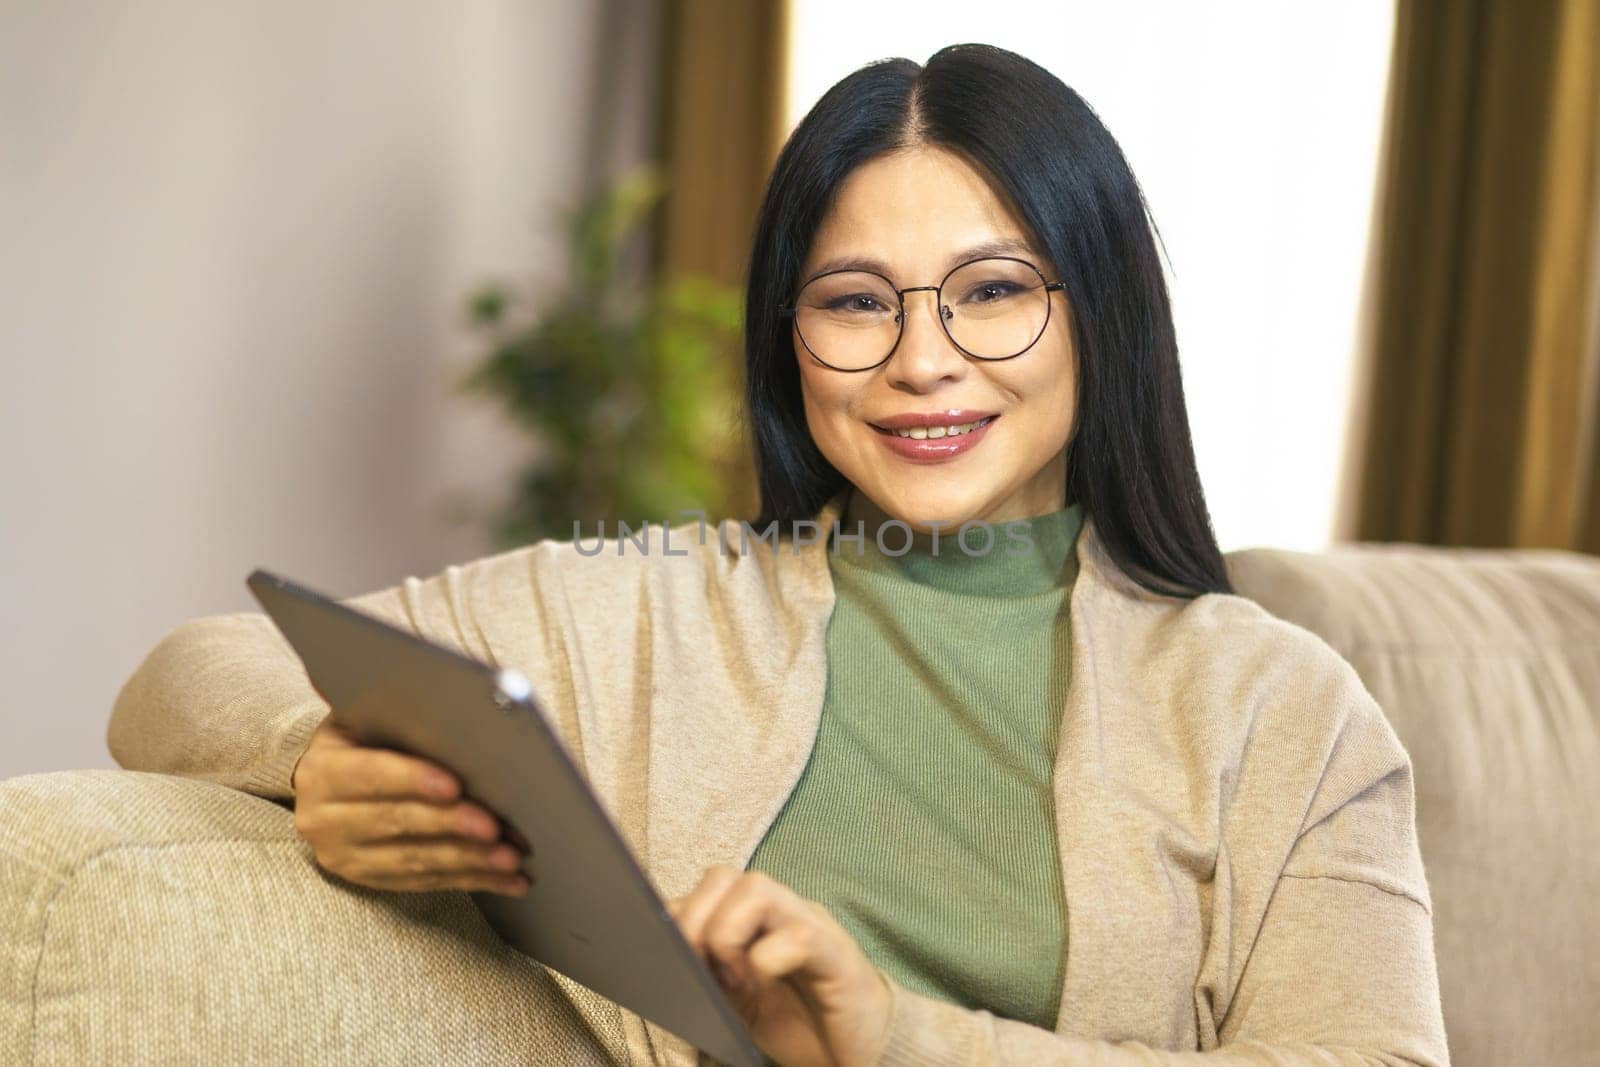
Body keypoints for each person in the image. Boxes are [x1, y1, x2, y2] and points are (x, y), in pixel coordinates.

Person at [108, 43, 1450, 1067]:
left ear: (1099, 313)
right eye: (855, 302)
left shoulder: (1281, 709)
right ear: (788, 345)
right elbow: (182, 673)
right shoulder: (644, 607)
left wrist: (896, 1039)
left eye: (993, 291)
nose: (923, 360)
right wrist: (317, 756)